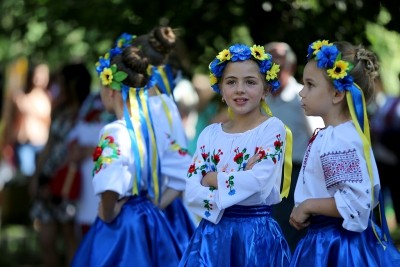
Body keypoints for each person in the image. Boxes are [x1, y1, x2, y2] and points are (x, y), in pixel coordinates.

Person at [71, 37, 189, 267]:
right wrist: (156, 205)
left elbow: (109, 183)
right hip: (150, 216)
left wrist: (107, 214)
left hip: (122, 220)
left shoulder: (113, 131)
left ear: (110, 90)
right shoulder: (152, 131)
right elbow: (183, 171)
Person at [179, 43, 292, 266]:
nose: (240, 89)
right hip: (212, 236)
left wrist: (213, 179)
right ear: (220, 89)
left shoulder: (272, 129)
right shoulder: (209, 134)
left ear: (266, 89)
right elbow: (191, 191)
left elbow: (259, 184)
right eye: (231, 82)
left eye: (250, 82)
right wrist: (242, 179)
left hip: (254, 236)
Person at [289, 40, 400, 266]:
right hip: (327, 238)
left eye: (310, 85)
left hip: (337, 246)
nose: (301, 92)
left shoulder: (339, 139)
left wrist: (308, 206)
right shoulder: (334, 135)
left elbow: (355, 203)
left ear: (338, 95)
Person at [130, 27, 197, 249]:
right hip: (154, 209)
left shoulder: (158, 107)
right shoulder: (157, 105)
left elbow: (181, 168)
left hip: (160, 213)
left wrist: (153, 208)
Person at [29, 62, 92, 267]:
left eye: (62, 81)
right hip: (48, 175)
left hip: (67, 180)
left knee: (69, 235)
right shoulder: (60, 109)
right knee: (46, 240)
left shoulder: (88, 112)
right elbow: (48, 145)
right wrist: (38, 177)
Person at [264, 41, 324, 252]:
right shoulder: (262, 98)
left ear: (290, 66)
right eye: (269, 58)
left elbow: (318, 139)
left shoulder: (302, 96)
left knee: (289, 234)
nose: (273, 63)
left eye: (278, 58)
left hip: (297, 175)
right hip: (267, 175)